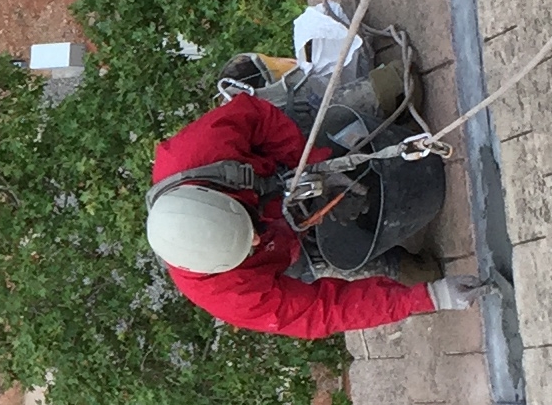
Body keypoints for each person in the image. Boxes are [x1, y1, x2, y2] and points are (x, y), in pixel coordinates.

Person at [145, 90, 487, 336]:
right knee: (313, 266)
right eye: (247, 245)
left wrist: (311, 166)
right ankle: (393, 263)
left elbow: (258, 116)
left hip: (283, 167)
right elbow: (323, 312)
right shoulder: (229, 293)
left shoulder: (198, 152)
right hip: (285, 246)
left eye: (248, 226)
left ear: (218, 195)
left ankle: (371, 96)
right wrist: (428, 298)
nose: (256, 237)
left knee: (310, 114)